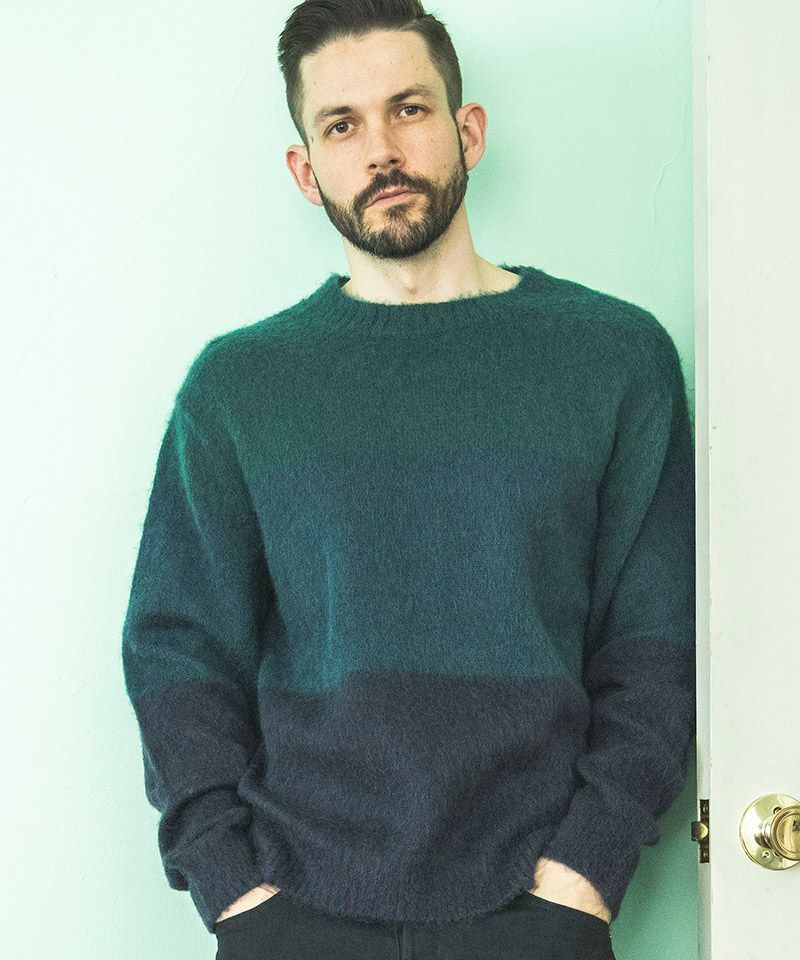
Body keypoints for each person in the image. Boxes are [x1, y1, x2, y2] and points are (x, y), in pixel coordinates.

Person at [121, 2, 695, 958]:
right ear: (306, 170)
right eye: (342, 125)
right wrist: (232, 885)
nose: (381, 150)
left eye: (409, 109)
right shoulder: (240, 386)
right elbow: (178, 648)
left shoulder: (614, 359)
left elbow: (657, 641)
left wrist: (586, 870)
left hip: (538, 908)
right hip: (293, 911)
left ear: (468, 131)